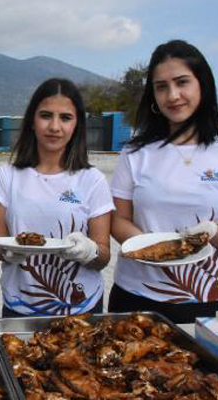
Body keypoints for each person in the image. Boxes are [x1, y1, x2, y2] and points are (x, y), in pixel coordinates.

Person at [109, 40, 218, 323]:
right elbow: (118, 219)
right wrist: (158, 250)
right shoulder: (135, 153)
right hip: (136, 294)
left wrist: (208, 237)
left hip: (206, 297)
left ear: (202, 85)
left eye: (182, 82)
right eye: (161, 86)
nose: (173, 95)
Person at [0, 78, 114, 317]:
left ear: (77, 125)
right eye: (46, 115)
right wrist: (6, 252)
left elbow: (104, 256)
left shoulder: (92, 179)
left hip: (81, 309)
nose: (55, 126)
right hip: (20, 307)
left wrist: (89, 251)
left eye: (66, 118)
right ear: (32, 122)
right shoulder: (7, 176)